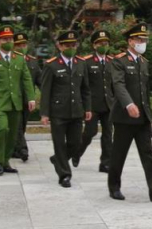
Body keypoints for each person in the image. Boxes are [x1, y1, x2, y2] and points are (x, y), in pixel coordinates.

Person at [106, 22, 152, 202]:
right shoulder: (119, 61)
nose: (142, 42)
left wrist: (147, 114)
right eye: (139, 39)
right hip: (124, 117)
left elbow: (144, 92)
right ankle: (114, 187)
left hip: (142, 117)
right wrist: (129, 104)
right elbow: (118, 85)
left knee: (147, 153)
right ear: (130, 41)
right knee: (119, 153)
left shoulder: (144, 63)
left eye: (144, 39)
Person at [0, 26, 36, 176]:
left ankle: (6, 161)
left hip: (15, 102)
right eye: (5, 39)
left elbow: (27, 79)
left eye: (10, 39)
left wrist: (31, 98)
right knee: (2, 129)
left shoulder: (19, 58)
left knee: (13, 134)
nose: (8, 41)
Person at [40, 30, 91, 188]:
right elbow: (45, 91)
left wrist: (87, 108)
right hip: (58, 112)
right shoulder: (51, 65)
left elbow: (85, 88)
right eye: (67, 45)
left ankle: (57, 159)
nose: (71, 47)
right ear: (60, 46)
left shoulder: (81, 63)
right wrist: (44, 113)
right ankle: (64, 175)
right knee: (59, 143)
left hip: (76, 110)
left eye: (73, 45)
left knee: (76, 143)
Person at [77, 30, 113, 173]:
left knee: (108, 134)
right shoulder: (87, 62)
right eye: (100, 43)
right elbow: (82, 85)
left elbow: (114, 84)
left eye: (106, 43)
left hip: (108, 104)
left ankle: (105, 163)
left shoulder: (112, 61)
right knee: (90, 132)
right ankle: (76, 152)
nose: (104, 45)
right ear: (94, 45)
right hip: (92, 105)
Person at [13, 32, 42, 162]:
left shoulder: (33, 62)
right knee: (17, 124)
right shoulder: (10, 60)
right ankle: (23, 149)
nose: (21, 47)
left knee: (22, 125)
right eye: (18, 45)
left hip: (27, 100)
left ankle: (14, 149)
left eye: (24, 44)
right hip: (13, 100)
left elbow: (39, 80)